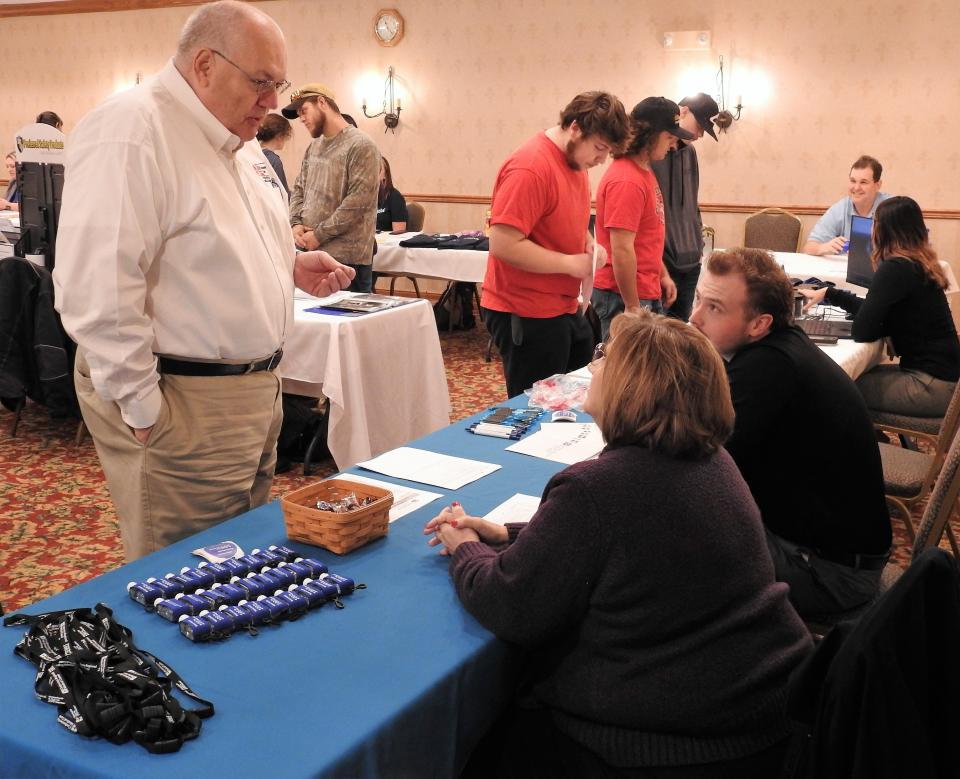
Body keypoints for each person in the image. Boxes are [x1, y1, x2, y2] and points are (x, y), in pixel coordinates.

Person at [425, 311, 812, 778]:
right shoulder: (712, 460)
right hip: (758, 707)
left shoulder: (598, 487)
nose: (595, 363)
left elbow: (510, 606)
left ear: (634, 384)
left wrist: (466, 546)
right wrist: (506, 533)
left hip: (661, 739)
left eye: (606, 354)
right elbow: (626, 537)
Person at [53, 0, 355, 562]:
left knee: (239, 568)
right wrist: (143, 409)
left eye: (279, 83)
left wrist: (287, 262)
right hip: (182, 399)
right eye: (261, 82)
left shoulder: (235, 140)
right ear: (205, 65)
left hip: (254, 393)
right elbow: (98, 289)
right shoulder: (132, 131)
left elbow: (212, 234)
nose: (273, 103)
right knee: (184, 580)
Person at [689, 247, 892, 620]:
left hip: (830, 575)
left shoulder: (769, 368)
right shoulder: (779, 348)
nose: (694, 318)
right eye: (698, 299)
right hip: (835, 551)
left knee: (674, 537)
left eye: (714, 308)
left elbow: (695, 462)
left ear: (759, 325)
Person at [480, 91, 630, 398]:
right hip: (524, 308)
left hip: (561, 305)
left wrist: (588, 244)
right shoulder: (531, 168)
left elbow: (564, 220)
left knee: (573, 399)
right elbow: (503, 244)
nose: (601, 160)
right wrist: (569, 263)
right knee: (537, 409)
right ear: (575, 128)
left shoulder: (576, 163)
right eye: (600, 148)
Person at [800, 196, 960, 417]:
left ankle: (853, 448)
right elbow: (881, 315)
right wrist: (830, 293)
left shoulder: (895, 268)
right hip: (945, 380)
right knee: (850, 377)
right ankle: (872, 438)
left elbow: (862, 331)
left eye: (875, 222)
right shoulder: (919, 262)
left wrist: (879, 321)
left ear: (884, 230)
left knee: (834, 388)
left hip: (929, 386)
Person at [591, 96, 692, 339]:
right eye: (669, 137)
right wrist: (632, 306)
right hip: (622, 295)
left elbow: (646, 239)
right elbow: (622, 250)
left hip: (643, 289)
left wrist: (663, 275)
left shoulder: (643, 171)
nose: (672, 145)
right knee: (625, 370)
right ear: (649, 134)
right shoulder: (627, 180)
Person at [283, 83, 380, 293]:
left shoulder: (361, 145)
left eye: (304, 111)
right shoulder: (314, 147)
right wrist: (295, 224)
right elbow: (299, 188)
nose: (301, 118)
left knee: (349, 325)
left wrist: (318, 235)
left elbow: (357, 203)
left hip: (347, 260)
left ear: (322, 102)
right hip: (310, 255)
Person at [651, 92, 720, 321]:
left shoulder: (690, 153)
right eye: (699, 126)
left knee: (681, 334)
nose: (700, 135)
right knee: (657, 335)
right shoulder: (654, 154)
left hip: (691, 261)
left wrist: (697, 243)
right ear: (684, 111)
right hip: (663, 261)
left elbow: (692, 202)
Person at [803, 155, 891, 256]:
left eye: (863, 182)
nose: (856, 188)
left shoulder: (892, 208)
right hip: (843, 270)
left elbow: (907, 250)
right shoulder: (840, 209)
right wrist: (823, 247)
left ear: (878, 185)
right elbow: (809, 247)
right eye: (853, 181)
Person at [256, 112, 293, 194]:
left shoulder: (252, 153)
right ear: (279, 136)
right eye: (288, 135)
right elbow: (282, 194)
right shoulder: (274, 161)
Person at [376, 156, 407, 232]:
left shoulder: (395, 197)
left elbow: (399, 233)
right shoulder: (364, 198)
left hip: (386, 242)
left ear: (385, 175)